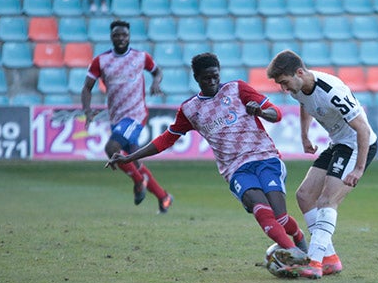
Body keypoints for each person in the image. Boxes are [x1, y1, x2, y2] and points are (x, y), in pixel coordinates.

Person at [109, 53, 309, 268]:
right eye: (206, 78)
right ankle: (292, 253)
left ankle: (298, 240)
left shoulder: (237, 89)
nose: (212, 81)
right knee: (260, 208)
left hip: (265, 158)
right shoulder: (190, 109)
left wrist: (259, 111)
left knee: (280, 218)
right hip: (235, 169)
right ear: (196, 78)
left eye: (215, 76)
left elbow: (276, 114)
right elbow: (166, 139)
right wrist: (130, 156)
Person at [265, 51, 378, 278]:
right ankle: (330, 259)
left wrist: (358, 168)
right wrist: (305, 135)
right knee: (305, 196)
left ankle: (314, 263)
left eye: (285, 83)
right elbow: (305, 103)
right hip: (338, 143)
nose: (284, 89)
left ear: (299, 72)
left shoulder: (332, 92)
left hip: (357, 145)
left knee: (327, 200)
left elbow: (363, 129)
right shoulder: (299, 87)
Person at [83, 20, 173, 214]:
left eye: (124, 35)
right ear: (111, 37)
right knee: (135, 161)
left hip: (136, 114)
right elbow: (87, 87)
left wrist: (155, 83)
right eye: (117, 35)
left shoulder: (141, 57)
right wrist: (87, 109)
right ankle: (164, 197)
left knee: (111, 148)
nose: (121, 38)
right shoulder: (101, 61)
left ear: (129, 36)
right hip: (117, 117)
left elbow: (157, 72)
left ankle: (139, 182)